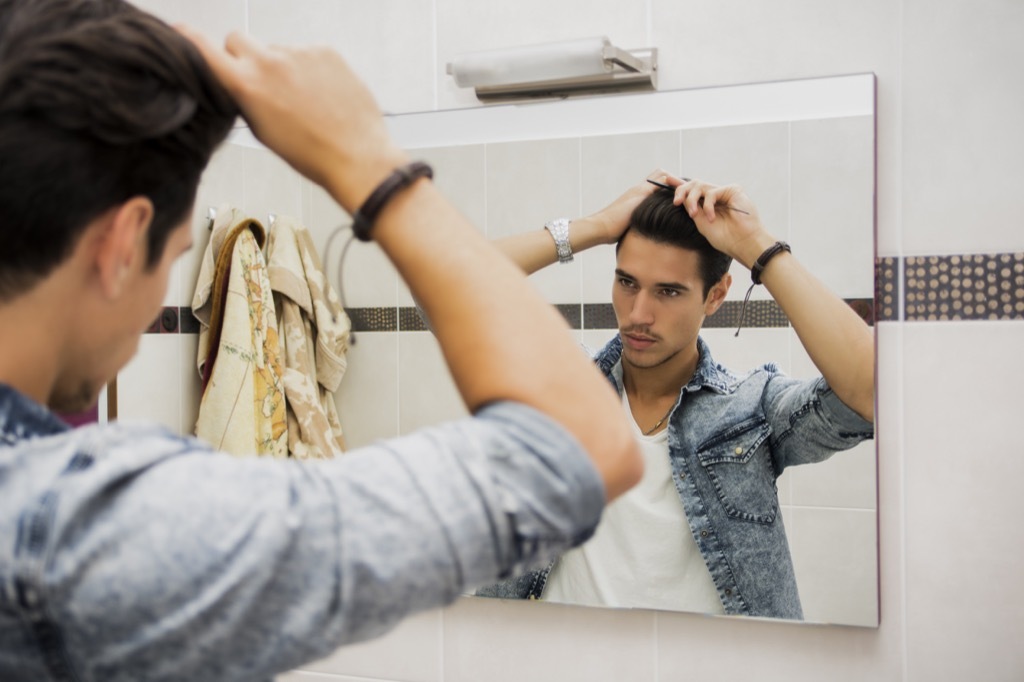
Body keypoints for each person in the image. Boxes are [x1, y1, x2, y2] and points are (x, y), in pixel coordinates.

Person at [0, 1, 643, 680]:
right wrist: (367, 163)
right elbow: (582, 449)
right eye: (174, 256)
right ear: (123, 243)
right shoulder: (82, 530)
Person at [477, 173, 875, 619]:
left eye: (668, 291)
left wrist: (756, 246)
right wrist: (597, 225)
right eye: (627, 283)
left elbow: (871, 394)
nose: (638, 315)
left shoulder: (750, 410)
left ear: (716, 295)